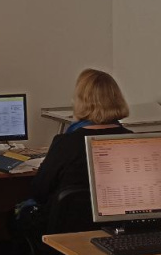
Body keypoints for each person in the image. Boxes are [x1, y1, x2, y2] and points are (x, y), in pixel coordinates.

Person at [14, 68, 131, 235]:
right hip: (116, 230)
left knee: (12, 218)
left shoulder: (66, 143)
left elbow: (39, 192)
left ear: (81, 101)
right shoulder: (132, 141)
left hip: (64, 230)